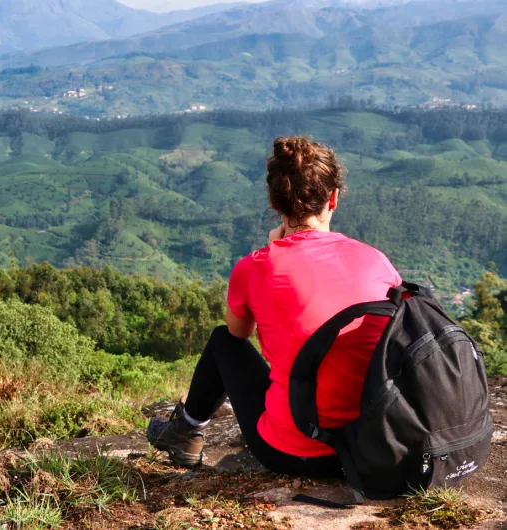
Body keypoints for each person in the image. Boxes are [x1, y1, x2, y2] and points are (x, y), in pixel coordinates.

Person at [147, 136, 402, 477]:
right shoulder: (376, 261)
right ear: (334, 198)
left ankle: (186, 431)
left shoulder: (255, 267)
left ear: (273, 201)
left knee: (223, 340)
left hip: (296, 453)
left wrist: (274, 252)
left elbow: (239, 332)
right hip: (374, 446)